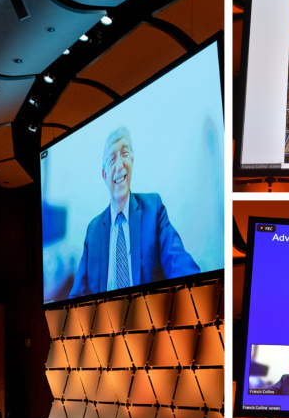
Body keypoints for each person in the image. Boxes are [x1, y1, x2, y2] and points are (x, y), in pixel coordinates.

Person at [69, 127, 200, 298]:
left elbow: (179, 263)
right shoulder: (93, 230)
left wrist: (196, 291)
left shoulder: (153, 209)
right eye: (111, 160)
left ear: (132, 159)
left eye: (124, 153)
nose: (119, 166)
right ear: (104, 174)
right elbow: (77, 296)